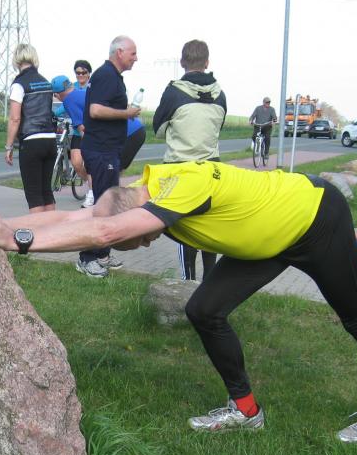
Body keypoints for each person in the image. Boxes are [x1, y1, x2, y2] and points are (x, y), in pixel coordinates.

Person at [0, 160, 357, 444]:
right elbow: (78, 218)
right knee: (204, 310)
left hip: (315, 218)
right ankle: (246, 410)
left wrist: (17, 241)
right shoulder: (145, 190)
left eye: (137, 240)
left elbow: (104, 232)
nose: (144, 245)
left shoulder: (182, 189)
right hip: (268, 238)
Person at [153, 39, 226, 282]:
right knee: (208, 226)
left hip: (180, 168)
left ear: (183, 61)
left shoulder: (174, 92)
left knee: (185, 228)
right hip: (212, 168)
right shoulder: (220, 95)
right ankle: (210, 283)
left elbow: (159, 130)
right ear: (207, 62)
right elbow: (217, 128)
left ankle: (188, 283)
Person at [77, 35, 141, 278]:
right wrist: (126, 113)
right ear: (119, 52)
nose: (136, 58)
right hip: (101, 150)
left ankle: (102, 254)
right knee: (102, 206)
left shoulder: (112, 76)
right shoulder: (106, 75)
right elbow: (95, 110)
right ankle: (86, 257)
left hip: (108, 150)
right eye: (133, 53)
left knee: (109, 203)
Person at [4, 44, 57, 214]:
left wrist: (9, 146)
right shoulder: (46, 82)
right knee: (46, 191)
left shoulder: (19, 84)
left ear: (16, 60)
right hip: (50, 140)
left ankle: (38, 230)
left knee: (34, 195)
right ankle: (53, 228)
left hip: (31, 141)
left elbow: (15, 118)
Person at [51, 75, 92, 207]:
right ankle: (89, 183)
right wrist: (53, 114)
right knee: (76, 162)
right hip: (77, 134)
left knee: (90, 162)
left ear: (58, 94)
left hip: (88, 133)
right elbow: (63, 108)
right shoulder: (69, 99)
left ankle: (93, 189)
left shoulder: (77, 95)